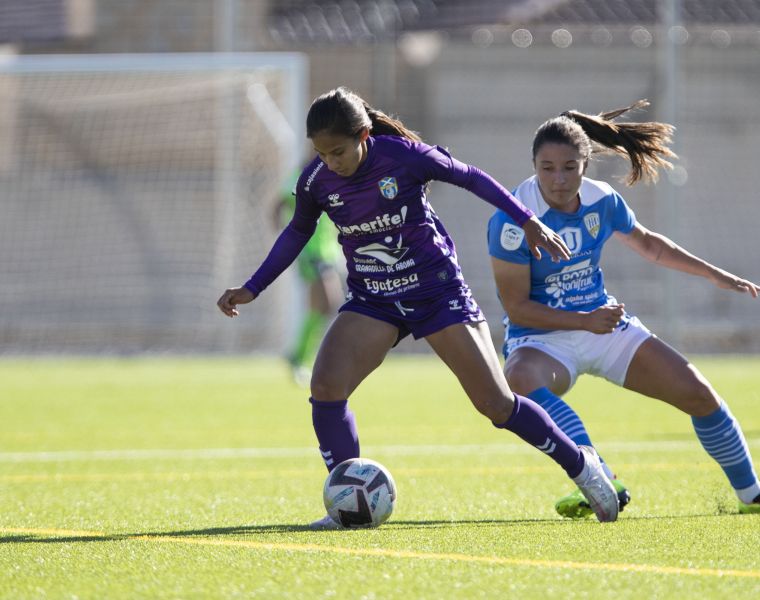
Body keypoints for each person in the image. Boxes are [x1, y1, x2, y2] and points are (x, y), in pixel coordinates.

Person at [217, 87, 620, 528]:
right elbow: (296, 232)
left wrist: (528, 220)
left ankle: (582, 466)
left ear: (364, 135)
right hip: (375, 299)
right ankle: (349, 499)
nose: (330, 161)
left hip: (436, 293)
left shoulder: (404, 157)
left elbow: (471, 176)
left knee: (496, 403)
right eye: (321, 153)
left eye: (338, 151)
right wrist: (253, 286)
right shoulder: (317, 180)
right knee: (327, 386)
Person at [487, 100, 760, 518]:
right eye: (547, 168)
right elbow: (518, 309)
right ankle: (601, 480)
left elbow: (649, 244)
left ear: (586, 165)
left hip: (605, 326)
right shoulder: (511, 220)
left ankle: (752, 494)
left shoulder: (601, 201)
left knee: (700, 396)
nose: (558, 179)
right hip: (542, 338)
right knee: (517, 378)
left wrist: (713, 274)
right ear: (533, 166)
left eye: (569, 167)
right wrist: (583, 321)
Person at [277, 171, 344, 384]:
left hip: (327, 251)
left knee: (325, 306)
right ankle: (302, 357)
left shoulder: (335, 175)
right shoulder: (301, 178)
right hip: (311, 251)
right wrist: (290, 241)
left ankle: (299, 355)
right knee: (327, 303)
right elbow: (277, 207)